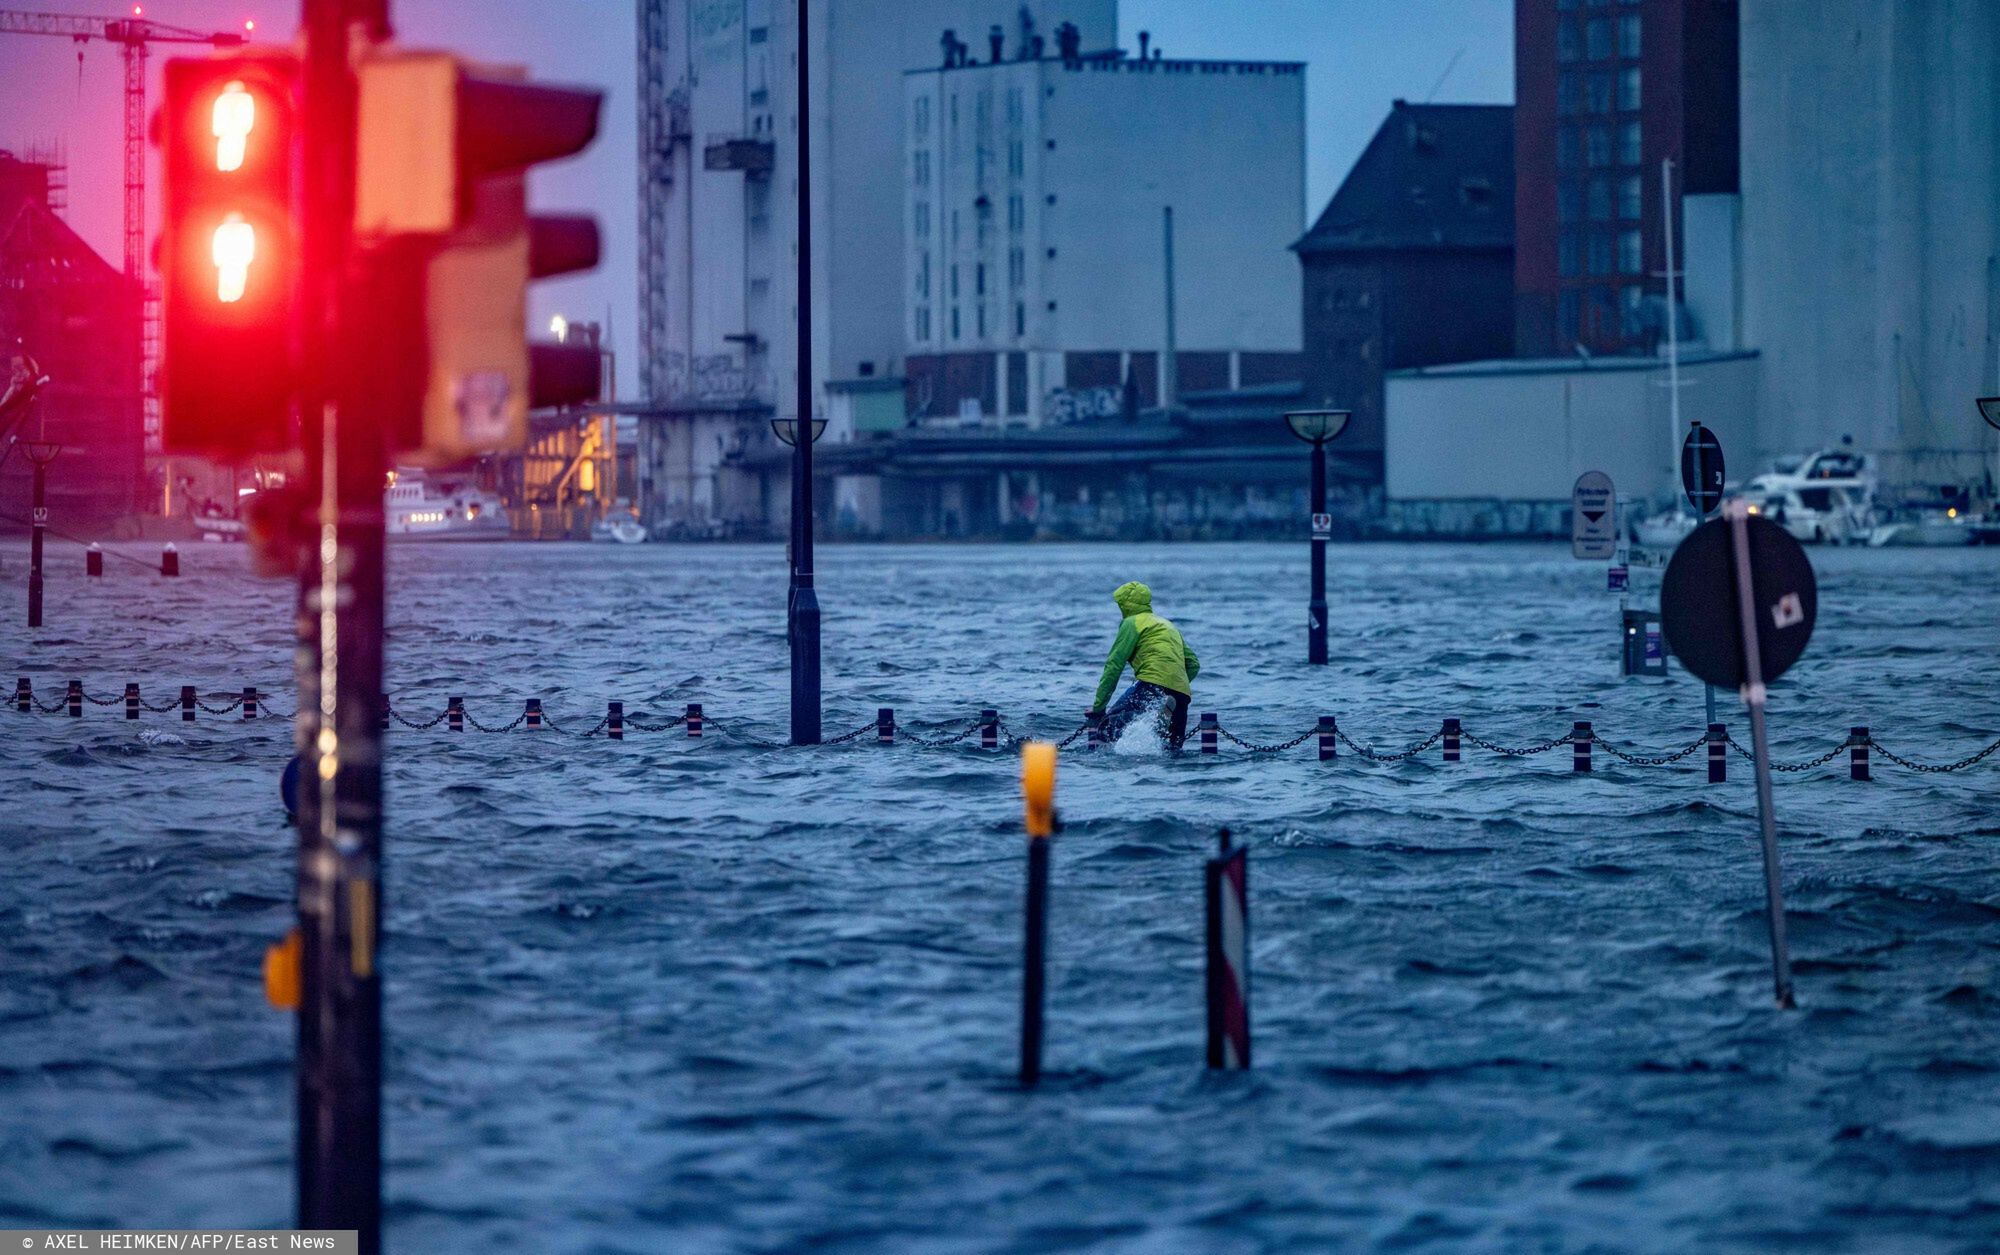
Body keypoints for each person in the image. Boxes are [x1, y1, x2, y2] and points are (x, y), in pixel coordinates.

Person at [1090, 581, 1200, 748]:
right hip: (1182, 693)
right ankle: (1161, 717)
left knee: (1106, 729)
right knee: (1173, 750)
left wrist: (1099, 708)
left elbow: (1113, 666)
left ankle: (1157, 717)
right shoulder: (1167, 625)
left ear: (1124, 604)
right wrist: (1174, 684)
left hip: (1152, 684)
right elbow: (1193, 664)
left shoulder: (1131, 623)